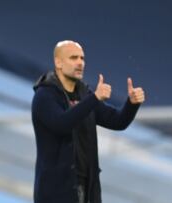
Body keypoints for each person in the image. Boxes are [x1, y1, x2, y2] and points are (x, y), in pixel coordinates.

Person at [31, 40, 145, 203]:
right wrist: (94, 98)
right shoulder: (45, 96)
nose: (80, 63)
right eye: (73, 58)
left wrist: (132, 104)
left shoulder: (84, 95)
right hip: (56, 192)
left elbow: (117, 121)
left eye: (82, 58)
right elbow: (61, 124)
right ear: (58, 62)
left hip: (88, 187)